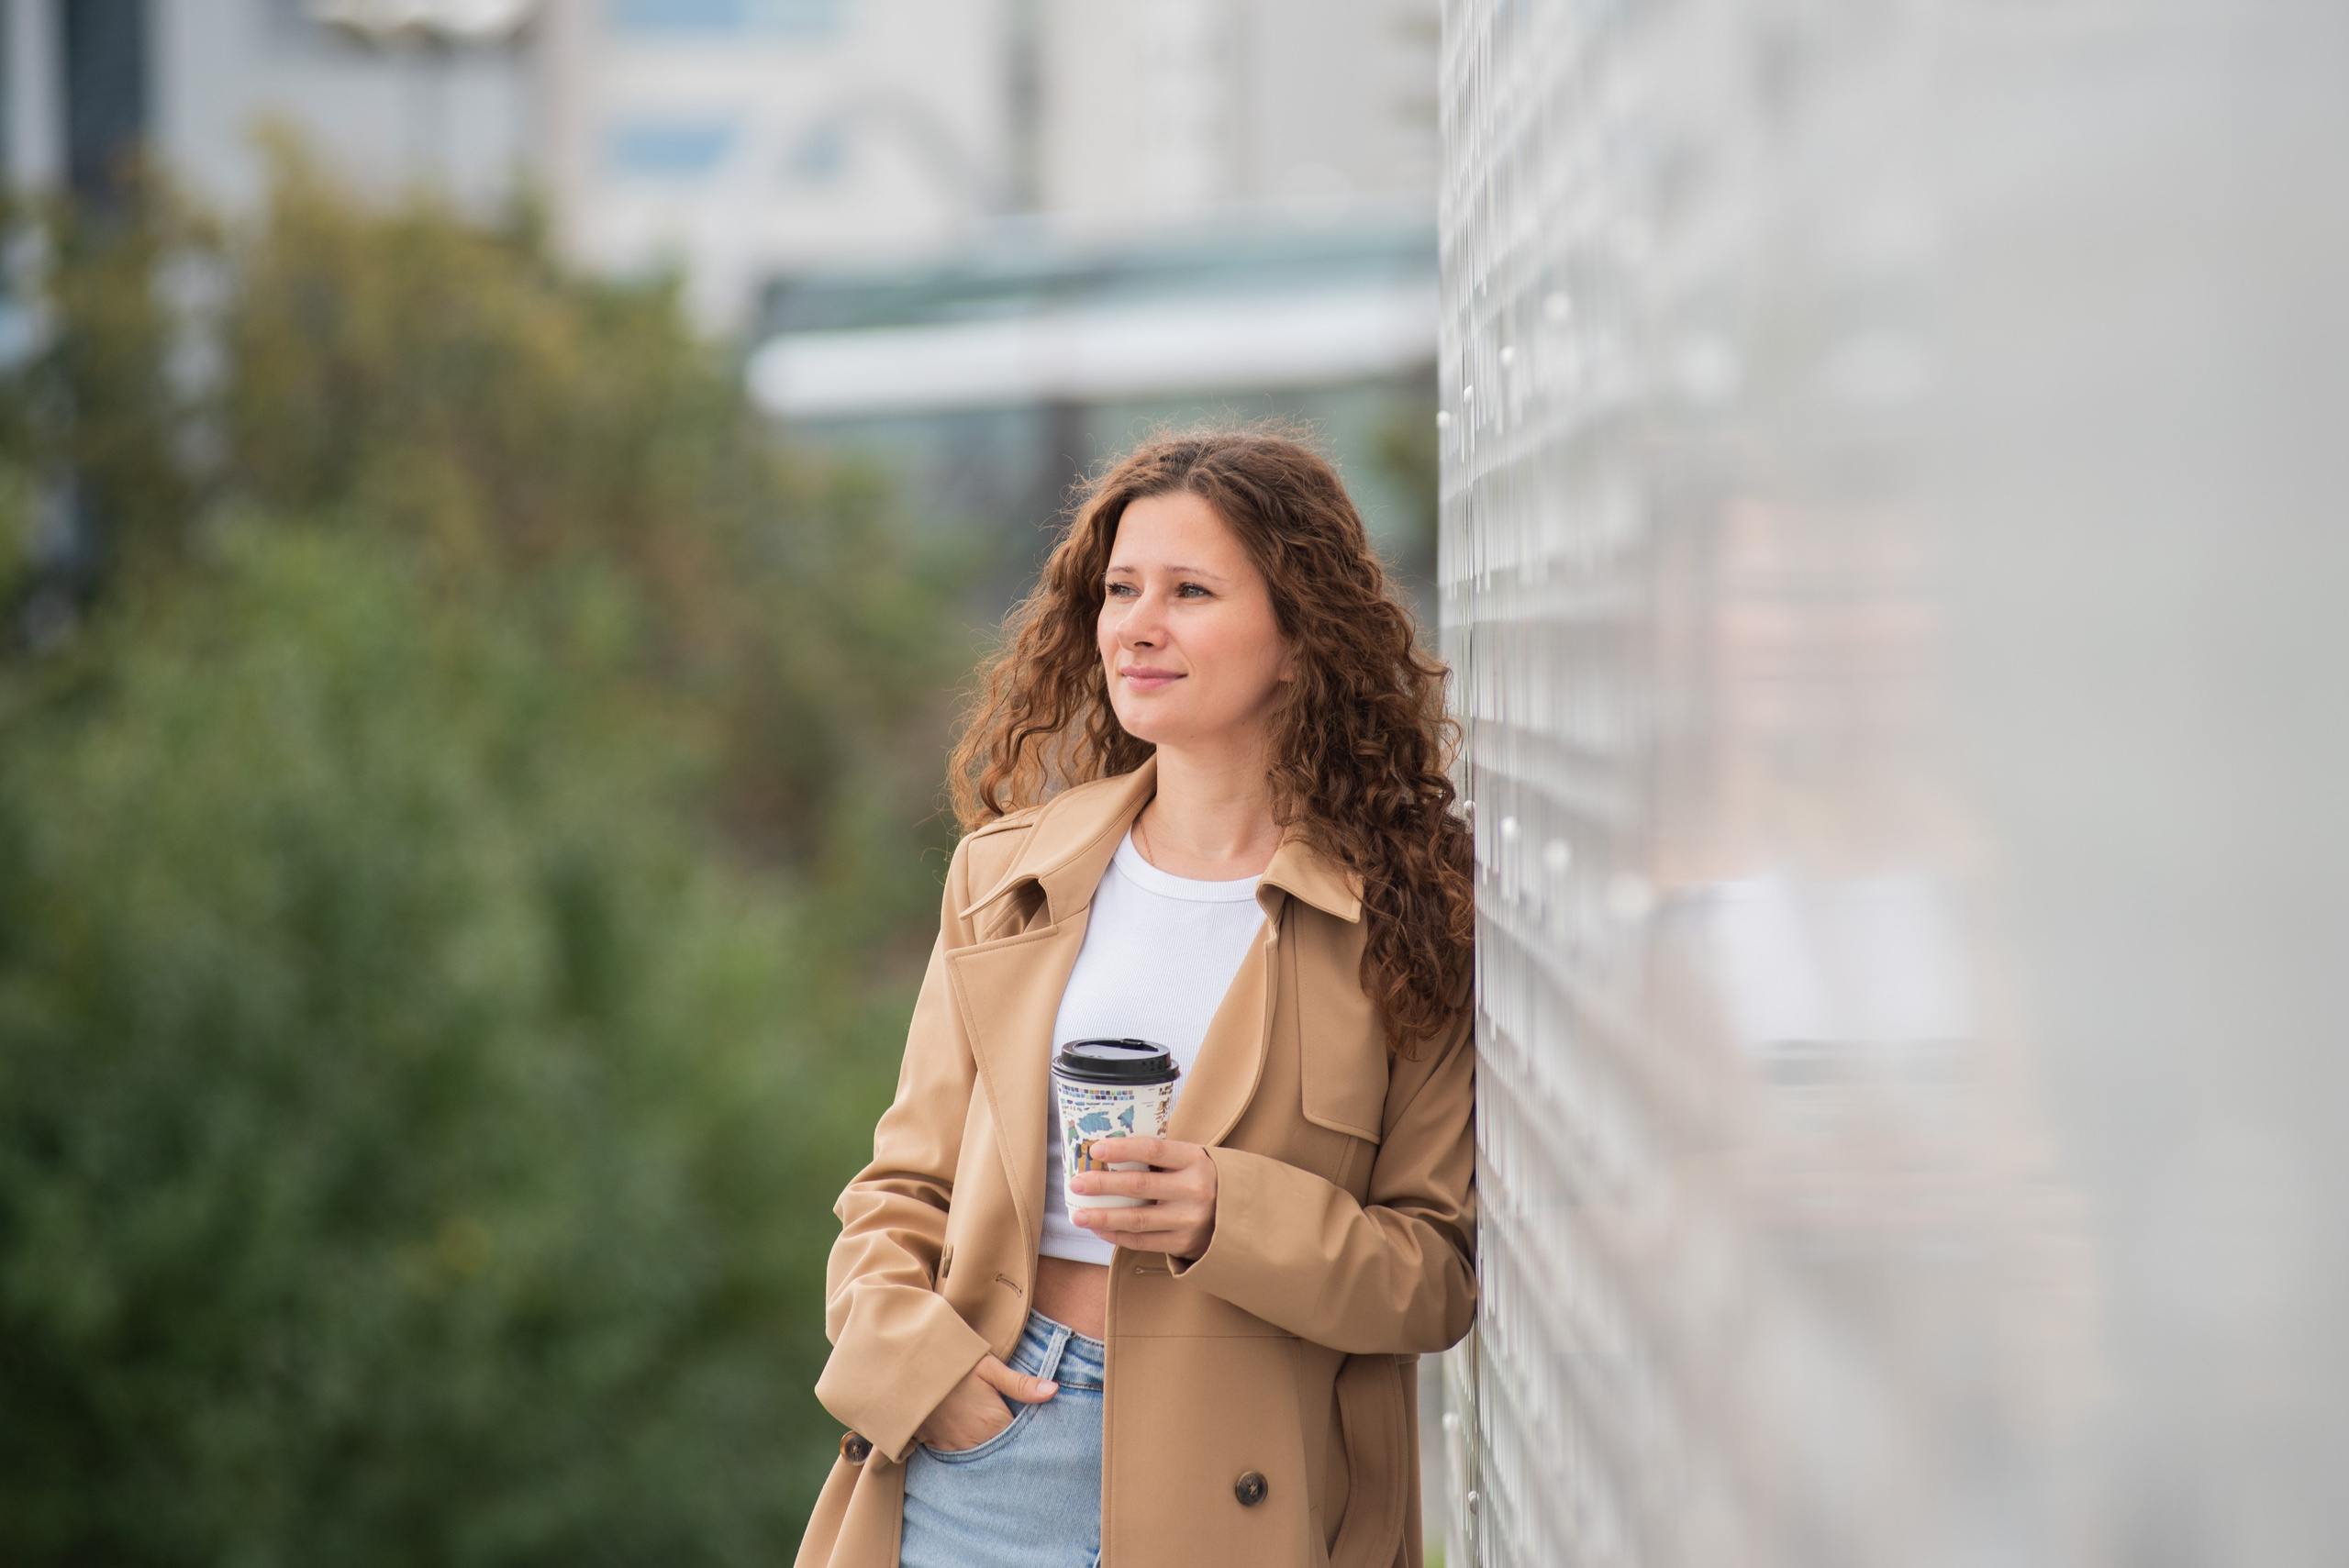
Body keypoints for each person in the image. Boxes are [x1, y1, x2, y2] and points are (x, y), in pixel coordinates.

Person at [794, 431, 1476, 1568]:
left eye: (1190, 590)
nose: (1136, 624)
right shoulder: (1008, 875)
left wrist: (1227, 1211)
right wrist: (928, 1376)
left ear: (1300, 640)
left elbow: (1435, 1277)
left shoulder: (1401, 914)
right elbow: (900, 1186)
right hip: (991, 1449)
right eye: (1120, 588)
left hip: (1253, 1491)